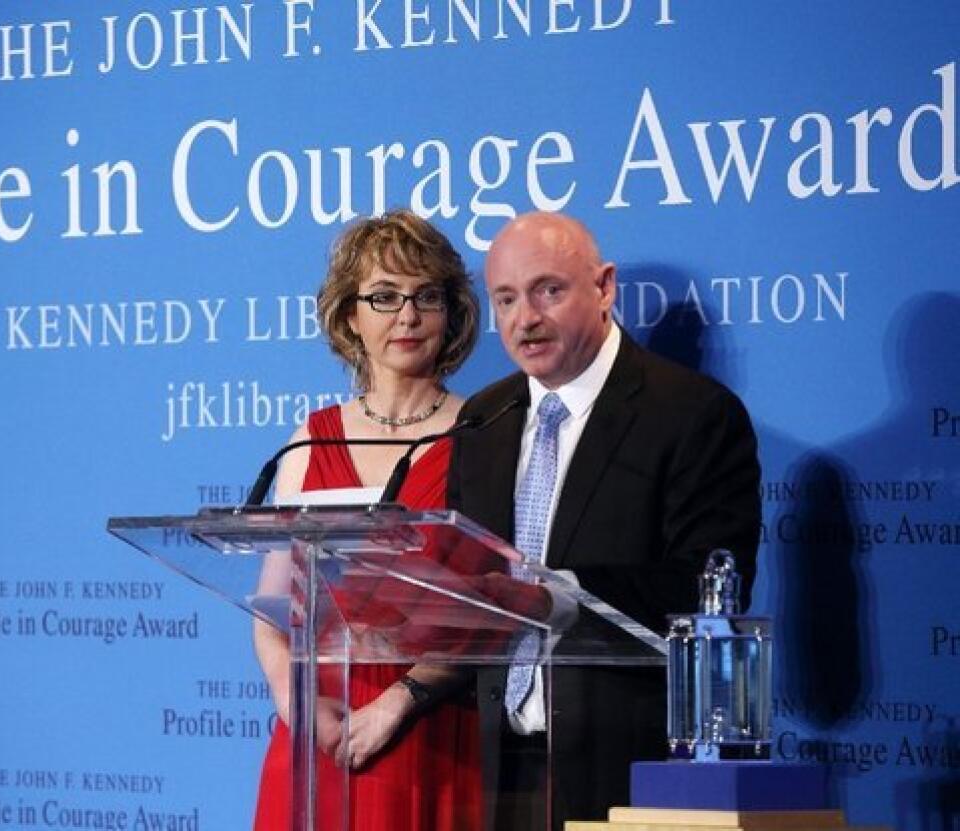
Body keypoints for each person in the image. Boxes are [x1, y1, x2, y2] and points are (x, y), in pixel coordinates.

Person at [446, 212, 762, 828]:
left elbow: (707, 594)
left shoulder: (691, 414)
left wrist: (553, 595)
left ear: (605, 287)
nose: (525, 319)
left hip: (625, 772)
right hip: (494, 771)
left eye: (549, 291)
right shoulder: (483, 420)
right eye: (505, 298)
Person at [252, 210, 484, 831]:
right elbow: (272, 607)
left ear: (451, 312)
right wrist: (293, 697)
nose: (406, 316)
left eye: (425, 296)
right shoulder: (311, 441)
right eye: (383, 297)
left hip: (427, 728)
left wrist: (396, 705)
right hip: (316, 726)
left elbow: (497, 614)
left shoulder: (484, 435)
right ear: (349, 315)